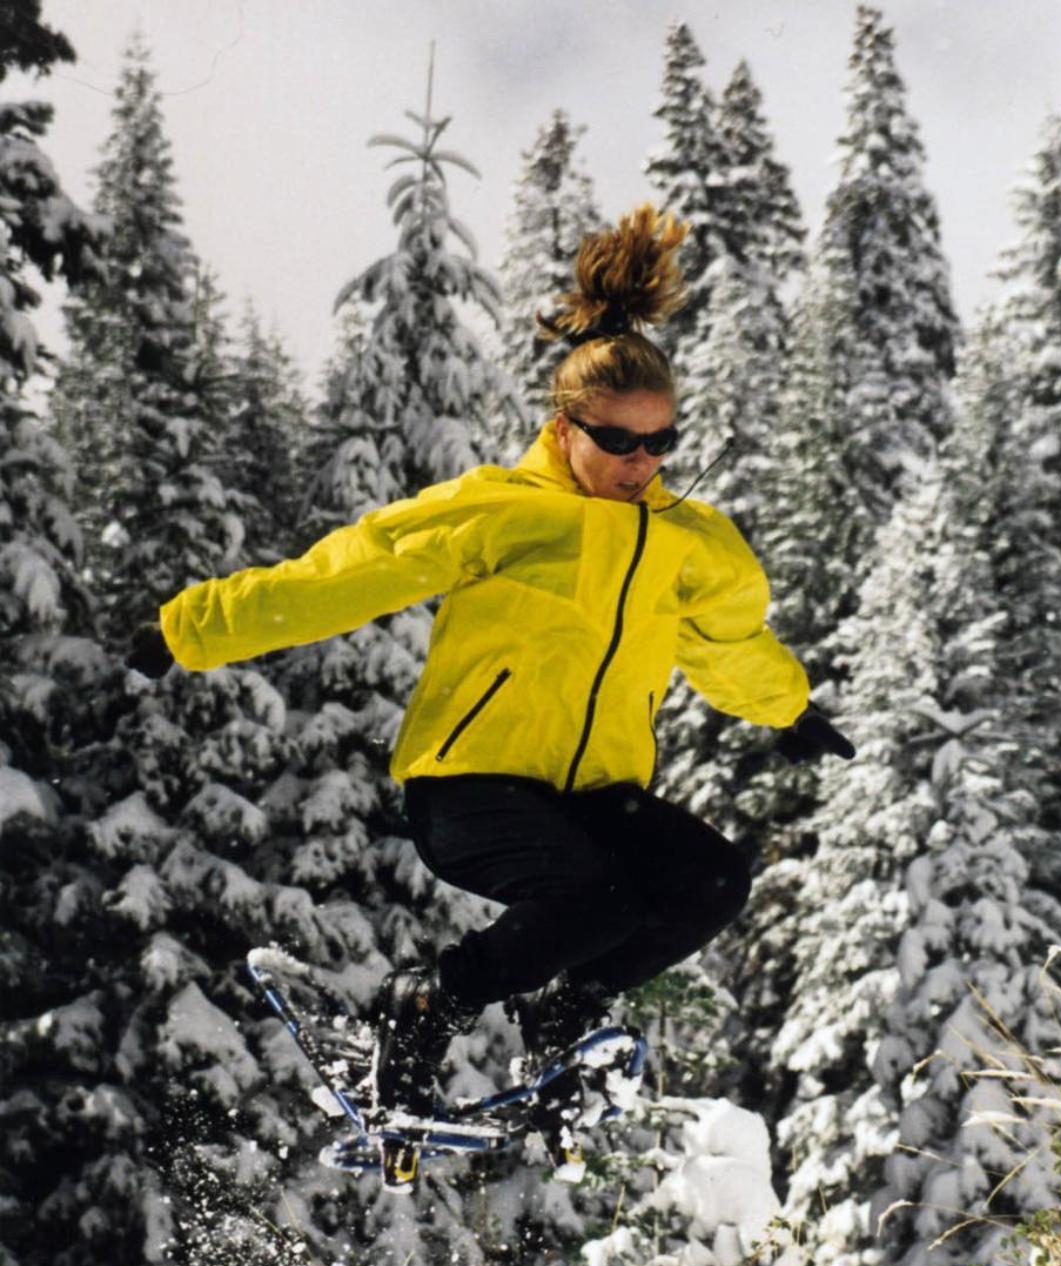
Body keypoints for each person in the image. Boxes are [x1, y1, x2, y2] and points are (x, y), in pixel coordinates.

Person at [132, 204, 853, 1132]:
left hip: (590, 793)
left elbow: (726, 644)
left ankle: (563, 1013)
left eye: (661, 442)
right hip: (470, 787)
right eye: (619, 441)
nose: (641, 463)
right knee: (595, 896)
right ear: (564, 428)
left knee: (709, 879)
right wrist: (189, 629)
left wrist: (787, 708)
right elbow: (345, 576)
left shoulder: (686, 543)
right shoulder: (505, 512)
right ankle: (427, 1003)